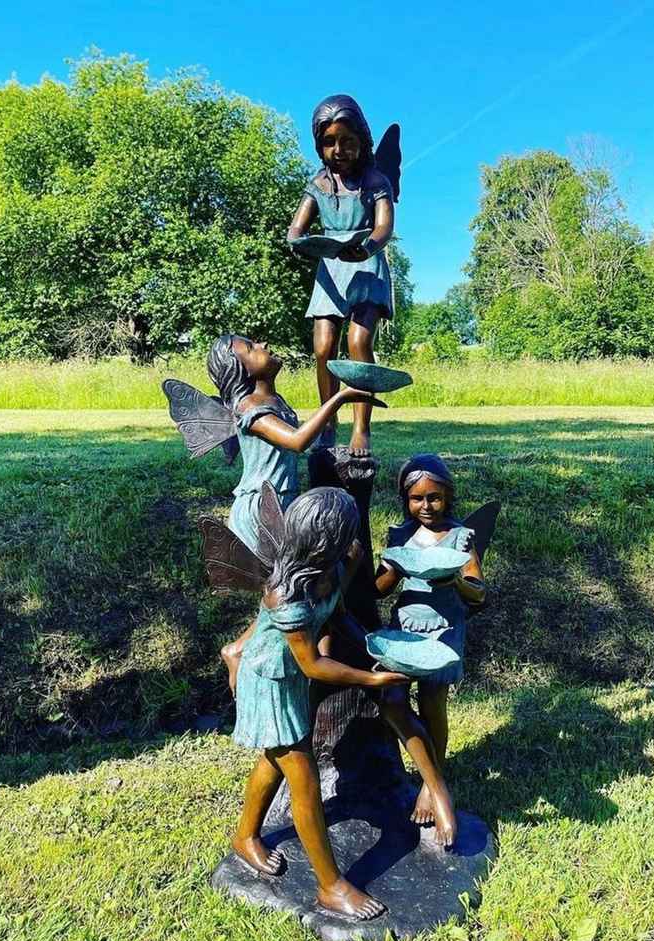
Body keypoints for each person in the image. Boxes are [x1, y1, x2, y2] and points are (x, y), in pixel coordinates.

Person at [231, 487, 410, 919]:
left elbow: (336, 615)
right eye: (347, 532)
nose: (355, 541)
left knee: (273, 761)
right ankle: (331, 886)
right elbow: (312, 663)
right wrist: (370, 676)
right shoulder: (285, 593)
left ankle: (245, 836)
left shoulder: (335, 565)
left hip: (290, 677)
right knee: (303, 779)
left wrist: (372, 645)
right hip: (271, 682)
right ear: (324, 537)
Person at [207, 334, 381, 689]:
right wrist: (340, 397)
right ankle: (240, 650)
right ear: (238, 368)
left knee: (304, 580)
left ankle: (315, 650)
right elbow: (297, 441)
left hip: (284, 503)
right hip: (261, 509)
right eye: (250, 348)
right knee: (284, 589)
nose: (262, 345)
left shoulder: (275, 400)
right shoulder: (248, 408)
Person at [374, 454, 486, 827]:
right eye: (417, 499)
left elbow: (478, 593)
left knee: (433, 703)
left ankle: (431, 782)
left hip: (443, 628)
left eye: (434, 498)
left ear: (448, 496)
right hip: (406, 627)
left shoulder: (459, 536)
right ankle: (418, 768)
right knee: (393, 699)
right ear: (405, 499)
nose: (426, 506)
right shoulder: (400, 534)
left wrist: (454, 579)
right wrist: (389, 565)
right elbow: (380, 589)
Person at [287, 94, 396, 457]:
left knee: (359, 344)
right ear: (319, 146)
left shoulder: (375, 180)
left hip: (365, 267)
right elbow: (295, 230)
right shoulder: (317, 185)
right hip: (330, 271)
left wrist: (366, 248)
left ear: (362, 141)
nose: (339, 149)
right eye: (329, 142)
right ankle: (328, 421)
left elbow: (383, 228)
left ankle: (361, 427)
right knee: (321, 347)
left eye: (348, 141)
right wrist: (303, 243)